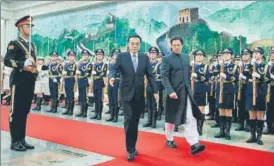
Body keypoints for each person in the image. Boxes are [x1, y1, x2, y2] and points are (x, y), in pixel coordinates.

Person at [109, 35, 158, 161]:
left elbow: (150, 75)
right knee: (129, 119)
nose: (135, 46)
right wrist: (112, 77)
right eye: (132, 43)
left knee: (135, 122)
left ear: (140, 45)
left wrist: (155, 91)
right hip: (125, 93)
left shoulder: (144, 57)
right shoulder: (122, 56)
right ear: (128, 44)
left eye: (137, 43)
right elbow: (113, 69)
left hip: (138, 94)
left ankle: (133, 146)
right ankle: (130, 149)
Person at [160, 36, 205, 155]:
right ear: (171, 46)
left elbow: (187, 73)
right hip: (173, 93)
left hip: (186, 92)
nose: (176, 47)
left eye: (178, 45)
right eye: (174, 45)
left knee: (190, 117)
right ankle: (169, 139)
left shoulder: (186, 57)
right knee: (170, 119)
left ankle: (194, 143)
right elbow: (164, 76)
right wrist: (170, 91)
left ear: (182, 45)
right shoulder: (166, 59)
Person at [4, 15, 37, 151]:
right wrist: (22, 64)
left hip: (29, 81)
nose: (30, 28)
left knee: (24, 111)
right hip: (18, 80)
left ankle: (22, 139)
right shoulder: (15, 44)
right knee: (16, 111)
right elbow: (7, 60)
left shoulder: (32, 45)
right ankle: (15, 141)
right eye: (28, 26)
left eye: (31, 26)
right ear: (20, 27)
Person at [191, 50, 210, 135]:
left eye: (201, 55)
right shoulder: (191, 66)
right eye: (197, 55)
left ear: (203, 57)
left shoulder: (206, 67)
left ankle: (199, 128)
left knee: (201, 110)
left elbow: (207, 78)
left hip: (201, 90)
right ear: (194, 57)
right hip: (192, 90)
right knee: (192, 110)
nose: (199, 57)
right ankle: (193, 127)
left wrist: (197, 76)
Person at [90, 49, 108, 120]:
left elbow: (103, 73)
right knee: (95, 99)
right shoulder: (94, 64)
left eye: (100, 55)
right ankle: (96, 113)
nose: (99, 56)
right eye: (98, 55)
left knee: (100, 99)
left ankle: (99, 115)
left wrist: (95, 73)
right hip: (95, 83)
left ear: (103, 56)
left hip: (101, 83)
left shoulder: (104, 64)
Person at [75, 50, 92, 117]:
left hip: (85, 81)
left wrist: (81, 73)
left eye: (86, 55)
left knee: (85, 97)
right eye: (84, 55)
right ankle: (81, 111)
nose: (85, 56)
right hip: (80, 81)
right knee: (81, 97)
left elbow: (89, 73)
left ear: (88, 56)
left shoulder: (90, 64)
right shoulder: (79, 64)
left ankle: (85, 112)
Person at [106, 49, 121, 122]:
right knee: (110, 99)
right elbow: (109, 73)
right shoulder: (110, 63)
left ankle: (115, 116)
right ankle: (111, 115)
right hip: (110, 82)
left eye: (117, 54)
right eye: (115, 54)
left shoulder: (121, 63)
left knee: (116, 100)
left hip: (117, 82)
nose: (116, 56)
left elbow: (118, 72)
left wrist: (113, 77)